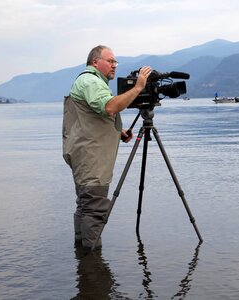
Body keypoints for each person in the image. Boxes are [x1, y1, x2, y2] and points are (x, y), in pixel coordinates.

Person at [62, 45, 151, 253]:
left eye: (115, 62)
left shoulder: (88, 81)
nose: (114, 66)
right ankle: (93, 266)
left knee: (85, 206)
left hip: (85, 154)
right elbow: (110, 107)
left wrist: (118, 132)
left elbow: (93, 116)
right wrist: (138, 87)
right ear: (95, 62)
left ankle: (83, 259)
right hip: (91, 158)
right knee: (95, 209)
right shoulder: (91, 80)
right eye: (110, 61)